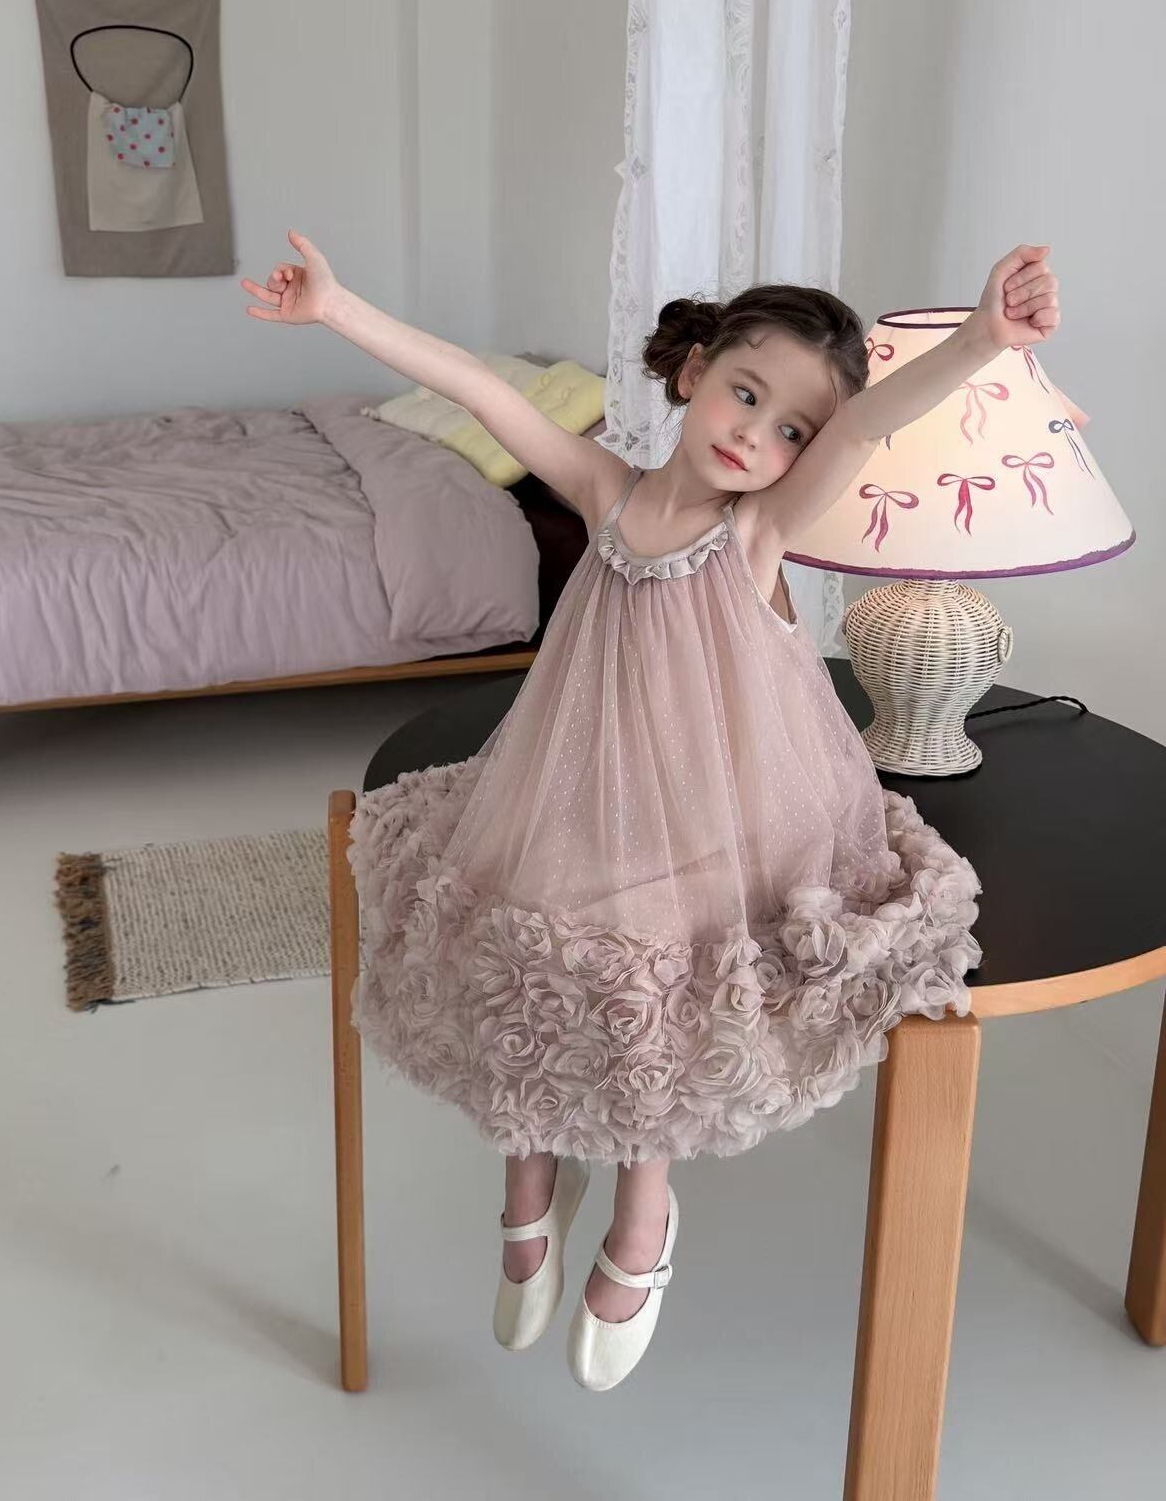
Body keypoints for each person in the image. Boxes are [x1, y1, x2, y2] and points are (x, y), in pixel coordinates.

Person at [241, 235, 1061, 1391]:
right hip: (572, 784)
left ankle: (644, 1209)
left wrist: (980, 341)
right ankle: (530, 1175)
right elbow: (477, 388)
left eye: (789, 429)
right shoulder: (605, 492)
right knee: (516, 941)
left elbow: (867, 431)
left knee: (655, 990)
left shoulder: (755, 532)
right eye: (744, 394)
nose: (754, 435)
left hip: (717, 811)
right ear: (693, 371)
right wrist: (337, 309)